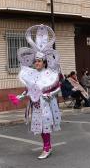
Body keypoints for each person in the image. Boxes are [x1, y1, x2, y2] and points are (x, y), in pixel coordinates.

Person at [12, 24, 62, 159]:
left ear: (44, 62)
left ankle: (47, 147)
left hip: (46, 104)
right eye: (35, 61)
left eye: (39, 61)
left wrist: (49, 94)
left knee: (46, 126)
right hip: (35, 105)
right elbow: (29, 89)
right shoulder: (32, 73)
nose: (36, 63)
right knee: (39, 127)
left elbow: (58, 87)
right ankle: (47, 146)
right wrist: (20, 97)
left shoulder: (50, 73)